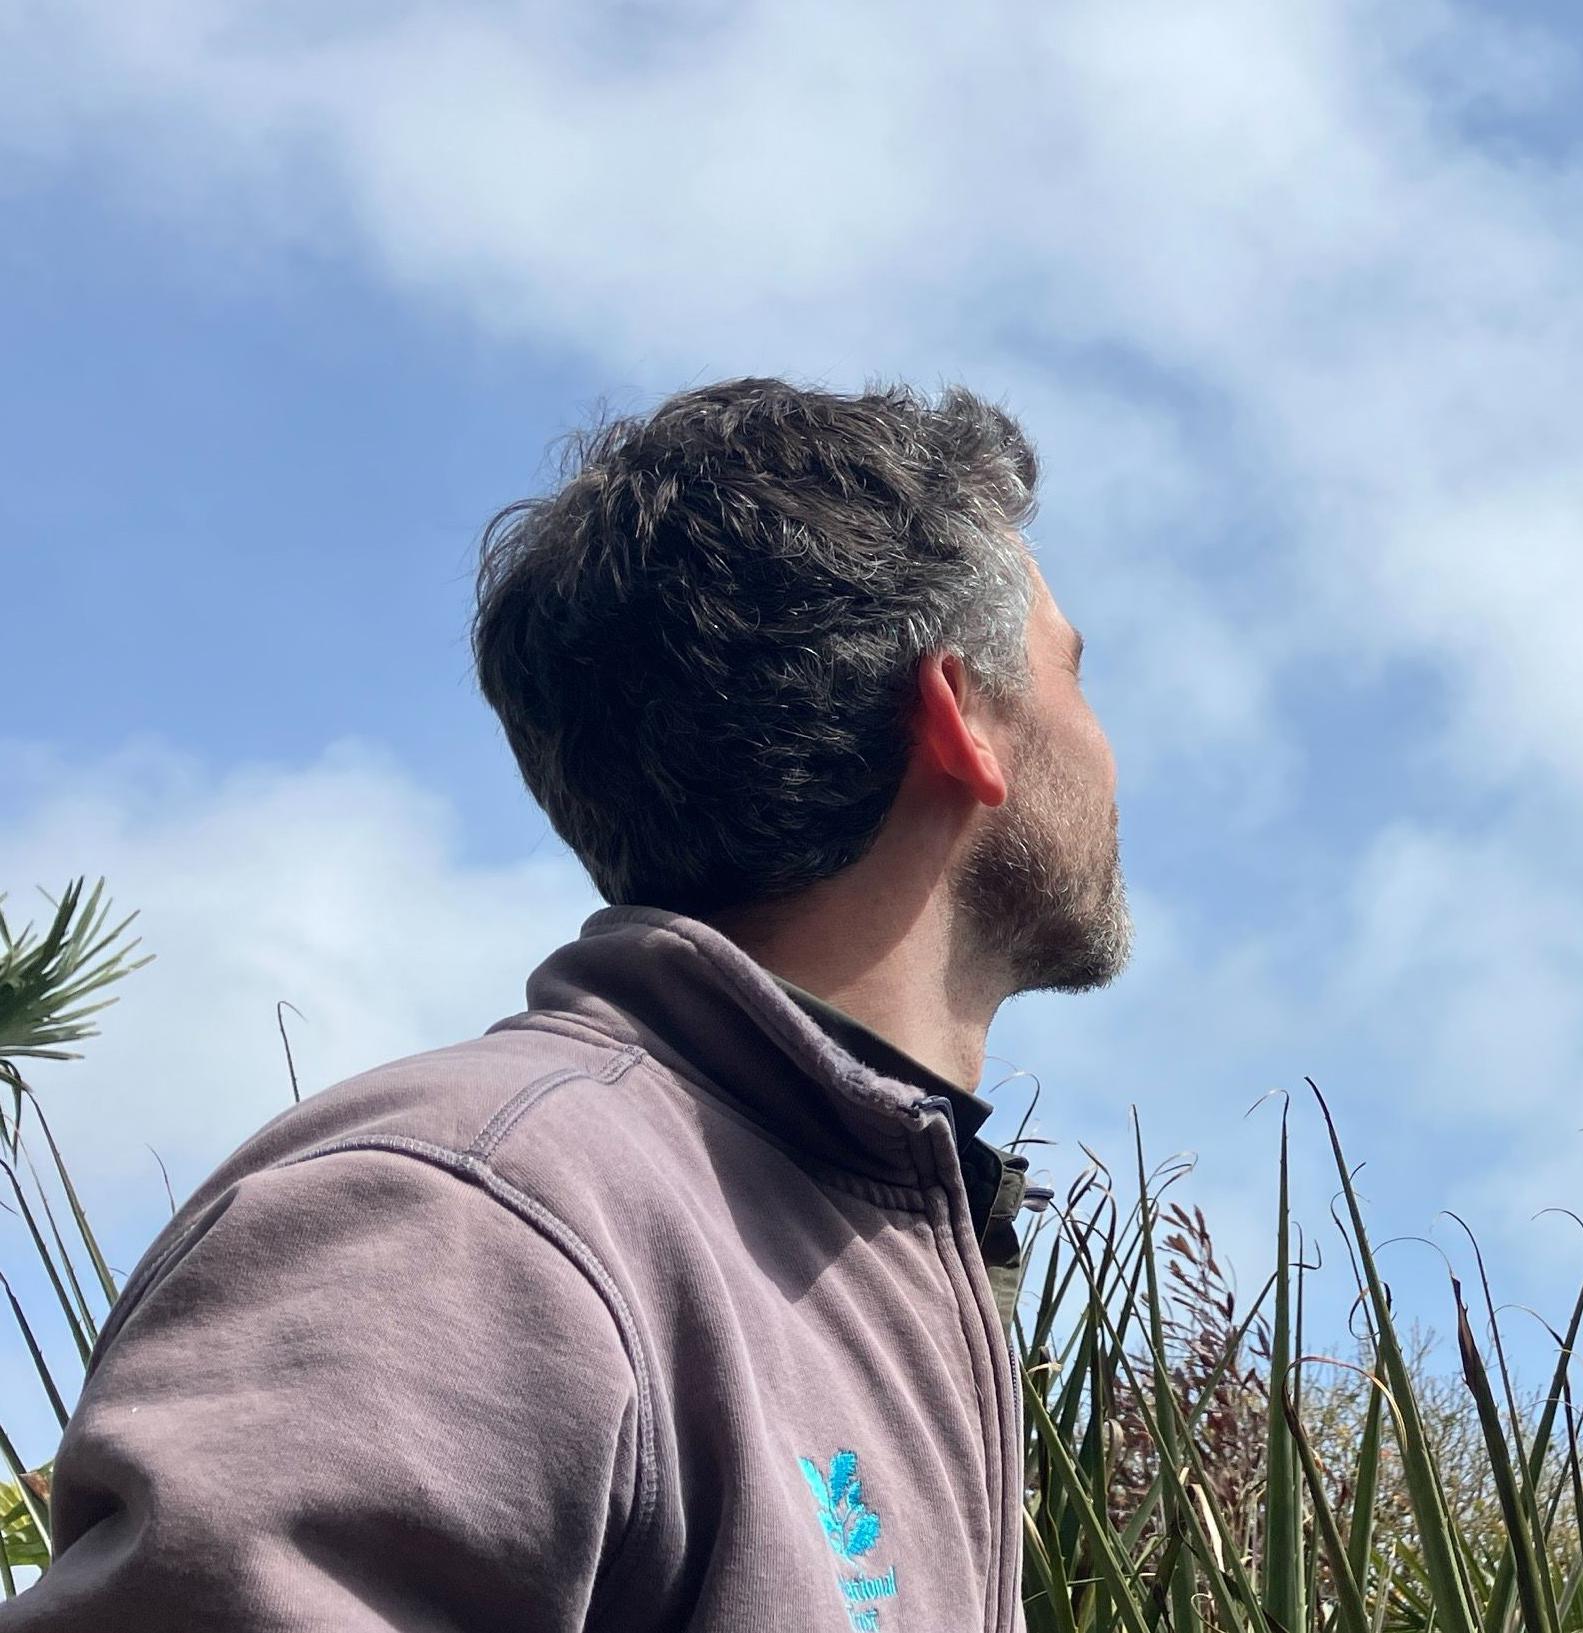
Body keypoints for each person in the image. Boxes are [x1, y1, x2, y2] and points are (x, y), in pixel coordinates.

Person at [1, 379, 1126, 1631]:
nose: (1104, 741)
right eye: (1075, 672)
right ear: (961, 713)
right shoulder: (476, 1218)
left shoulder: (863, 1261)